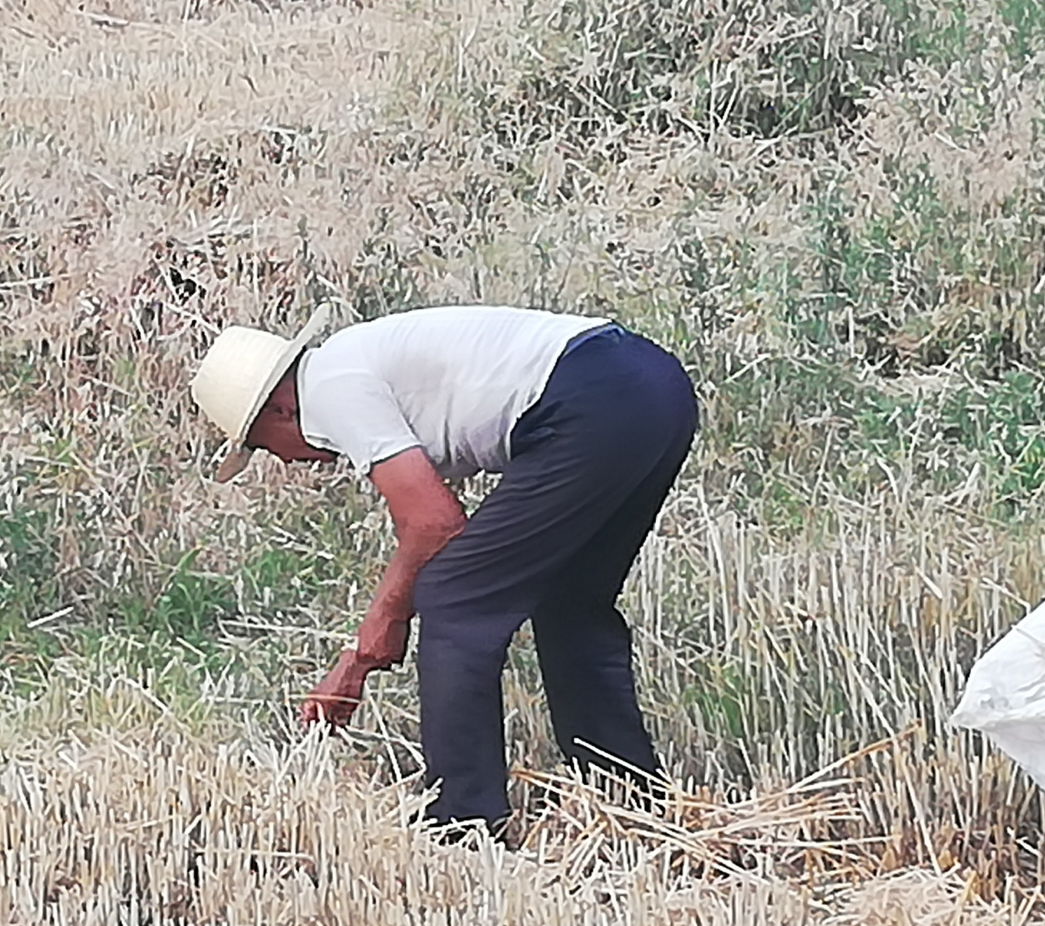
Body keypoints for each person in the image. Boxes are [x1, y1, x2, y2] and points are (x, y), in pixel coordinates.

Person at [190, 303, 698, 834]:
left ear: (279, 411)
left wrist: (378, 630)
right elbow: (429, 528)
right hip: (653, 388)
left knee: (454, 601)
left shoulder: (329, 388)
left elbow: (435, 523)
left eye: (261, 447)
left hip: (592, 402)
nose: (283, 460)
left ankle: (464, 822)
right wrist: (364, 652)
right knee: (568, 603)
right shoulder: (354, 360)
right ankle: (628, 799)